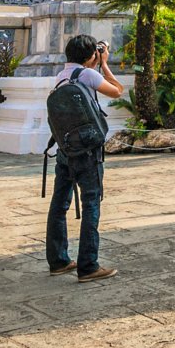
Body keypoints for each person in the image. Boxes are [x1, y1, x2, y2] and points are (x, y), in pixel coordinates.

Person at [45, 33, 125, 281]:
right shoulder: (88, 74)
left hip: (65, 149)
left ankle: (58, 260)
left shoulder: (61, 76)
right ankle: (88, 265)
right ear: (91, 56)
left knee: (59, 204)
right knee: (91, 202)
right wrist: (104, 64)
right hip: (88, 152)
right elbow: (117, 92)